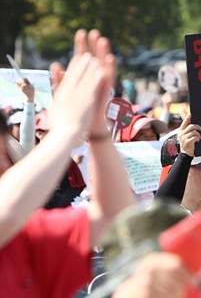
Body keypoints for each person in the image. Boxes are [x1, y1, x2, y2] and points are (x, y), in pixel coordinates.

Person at [0, 29, 137, 297]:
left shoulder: (26, 236)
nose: (5, 164)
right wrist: (66, 130)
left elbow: (114, 218)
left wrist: (97, 127)